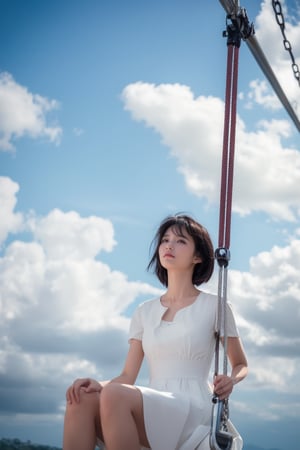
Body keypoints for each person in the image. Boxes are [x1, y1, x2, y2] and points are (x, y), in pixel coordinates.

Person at [63, 214, 248, 450]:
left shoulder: (215, 305)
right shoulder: (144, 311)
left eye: (181, 241)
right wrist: (96, 383)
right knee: (81, 398)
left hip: (193, 405)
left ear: (198, 256)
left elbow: (241, 363)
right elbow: (127, 376)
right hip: (153, 401)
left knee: (114, 394)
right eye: (165, 240)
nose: (169, 245)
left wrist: (231, 380)